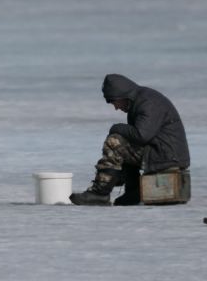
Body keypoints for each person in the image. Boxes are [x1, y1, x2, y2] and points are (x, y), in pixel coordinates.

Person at [70, 74, 190, 206]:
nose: (116, 107)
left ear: (122, 95)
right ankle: (133, 192)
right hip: (163, 153)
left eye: (114, 102)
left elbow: (141, 135)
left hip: (166, 156)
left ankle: (100, 193)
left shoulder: (147, 102)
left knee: (114, 141)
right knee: (126, 142)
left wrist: (115, 127)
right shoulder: (141, 100)